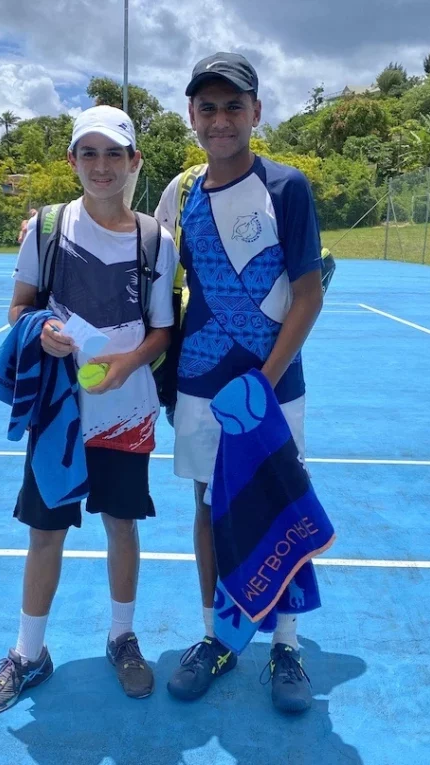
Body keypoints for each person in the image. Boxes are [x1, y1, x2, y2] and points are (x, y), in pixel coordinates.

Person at [0, 105, 178, 716]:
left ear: (135, 161)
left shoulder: (155, 240)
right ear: (72, 162)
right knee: (46, 531)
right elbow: (18, 308)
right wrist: (42, 332)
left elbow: (163, 331)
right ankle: (27, 653)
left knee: (122, 525)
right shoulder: (45, 229)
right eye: (88, 153)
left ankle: (122, 639)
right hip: (60, 411)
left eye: (115, 153)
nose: (102, 165)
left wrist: (127, 363)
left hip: (127, 410)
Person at [154, 52, 325, 713]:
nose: (220, 119)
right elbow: (152, 264)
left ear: (256, 113)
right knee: (209, 509)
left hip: (272, 389)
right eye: (208, 107)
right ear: (192, 116)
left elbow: (308, 296)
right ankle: (218, 637)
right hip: (200, 385)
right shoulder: (182, 191)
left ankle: (286, 645)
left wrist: (264, 380)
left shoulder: (287, 187)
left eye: (233, 106)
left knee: (280, 504)